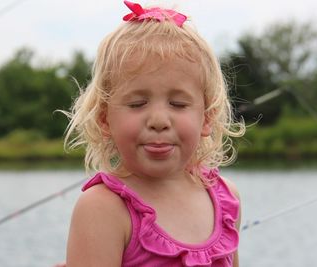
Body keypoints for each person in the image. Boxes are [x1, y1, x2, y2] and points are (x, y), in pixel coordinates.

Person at [63, 1, 245, 266]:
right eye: (137, 104)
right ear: (104, 118)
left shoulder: (226, 197)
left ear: (207, 117)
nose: (159, 121)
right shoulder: (102, 208)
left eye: (178, 104)